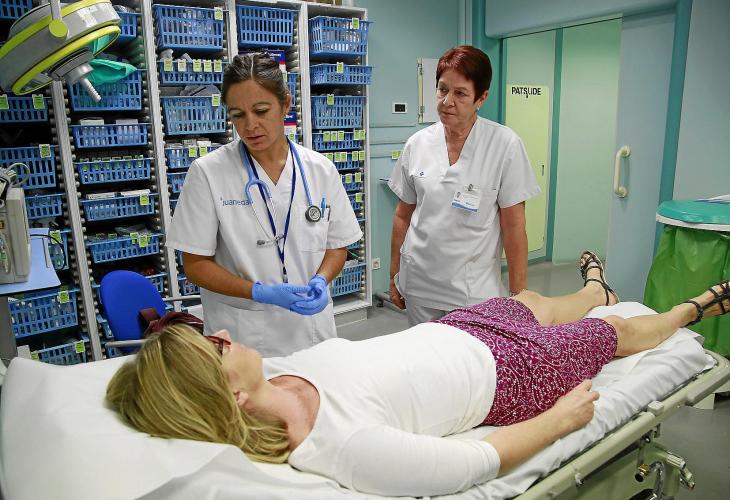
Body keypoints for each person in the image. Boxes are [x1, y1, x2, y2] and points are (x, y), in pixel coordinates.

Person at [106, 252, 730, 497]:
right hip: (512, 376)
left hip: (456, 330)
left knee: (533, 301)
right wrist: (560, 421)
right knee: (613, 333)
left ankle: (594, 287)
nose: (219, 335)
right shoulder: (338, 445)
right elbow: (476, 462)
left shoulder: (278, 371)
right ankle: (694, 307)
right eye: (214, 351)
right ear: (234, 397)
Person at [167, 53, 362, 356]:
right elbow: (195, 266)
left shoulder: (320, 170)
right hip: (244, 335)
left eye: (261, 111)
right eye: (237, 115)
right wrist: (258, 292)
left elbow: (337, 246)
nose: (250, 125)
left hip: (311, 331)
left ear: (285, 104)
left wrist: (321, 280)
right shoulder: (208, 173)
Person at [388, 45, 541, 326]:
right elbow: (402, 215)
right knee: (425, 352)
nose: (447, 101)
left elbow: (514, 227)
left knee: (471, 355)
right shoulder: (417, 144)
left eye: (460, 93)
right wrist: (394, 274)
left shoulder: (504, 145)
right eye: (442, 89)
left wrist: (519, 296)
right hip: (419, 285)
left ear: (481, 98)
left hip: (474, 293)